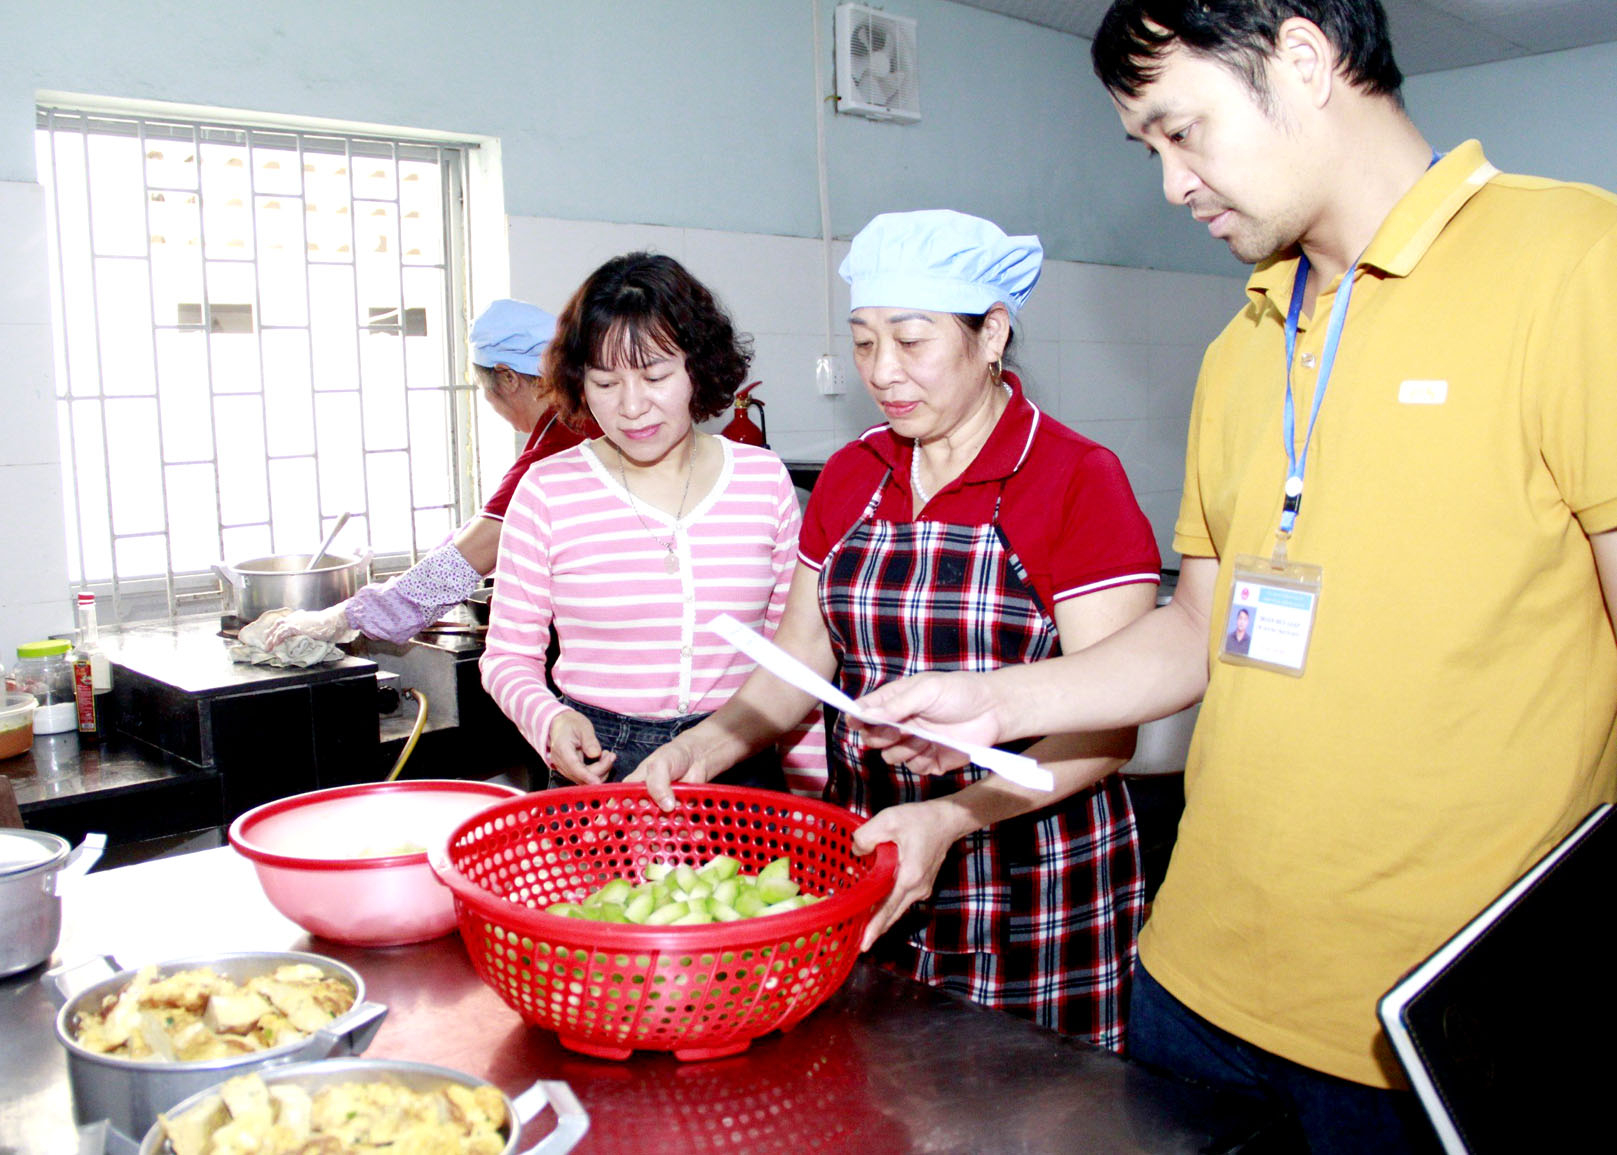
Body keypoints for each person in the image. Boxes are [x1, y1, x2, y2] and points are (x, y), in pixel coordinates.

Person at [850, 3, 1617, 1151]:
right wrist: (1001, 700)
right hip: (1190, 988)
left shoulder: (1573, 265)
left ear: (1303, 62)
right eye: (1148, 149)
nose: (1171, 185)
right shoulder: (1245, 343)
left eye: (1183, 132)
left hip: (1424, 1026)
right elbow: (1196, 630)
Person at [631, 210, 1162, 1050]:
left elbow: (1106, 730)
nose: (882, 371)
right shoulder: (853, 475)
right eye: (865, 341)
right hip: (872, 857)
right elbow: (800, 659)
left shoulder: (1073, 479)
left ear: (992, 333)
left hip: (1034, 879)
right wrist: (703, 746)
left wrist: (953, 817)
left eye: (910, 340)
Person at [479, 253, 825, 797]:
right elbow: (507, 656)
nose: (632, 406)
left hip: (739, 753)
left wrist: (810, 792)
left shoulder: (762, 480)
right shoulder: (548, 489)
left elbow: (793, 660)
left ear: (697, 368)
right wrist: (550, 723)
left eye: (656, 375)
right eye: (606, 383)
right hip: (602, 762)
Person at [262, 299, 596, 647]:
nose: (492, 405)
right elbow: (474, 534)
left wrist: (341, 618)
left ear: (508, 377)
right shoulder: (577, 421)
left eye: (485, 391)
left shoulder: (562, 443)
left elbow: (467, 558)